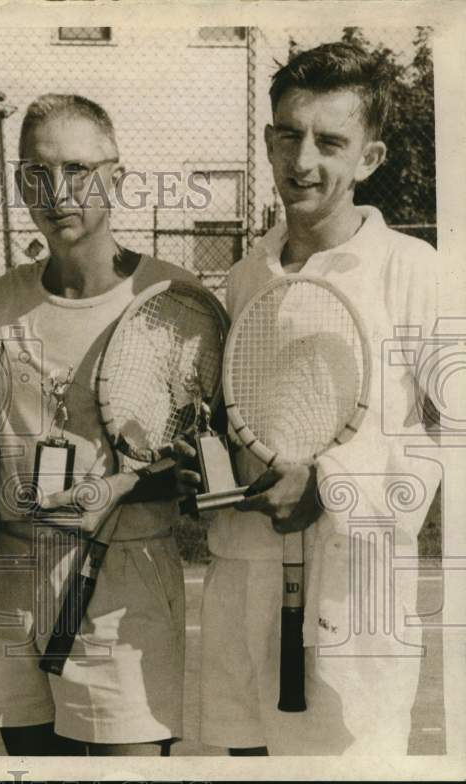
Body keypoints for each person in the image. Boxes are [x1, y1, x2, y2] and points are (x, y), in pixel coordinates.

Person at [177, 42, 446, 755]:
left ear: (370, 159)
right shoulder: (243, 276)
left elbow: (446, 436)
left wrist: (332, 487)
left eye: (330, 142)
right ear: (266, 141)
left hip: (356, 594)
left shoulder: (415, 271)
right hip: (244, 582)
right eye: (289, 135)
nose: (304, 161)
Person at [0, 94, 198, 756]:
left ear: (118, 178)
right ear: (18, 184)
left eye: (78, 169)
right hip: (10, 575)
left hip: (126, 579)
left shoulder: (174, 300)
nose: (57, 192)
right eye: (37, 173)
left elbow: (197, 466)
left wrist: (121, 491)